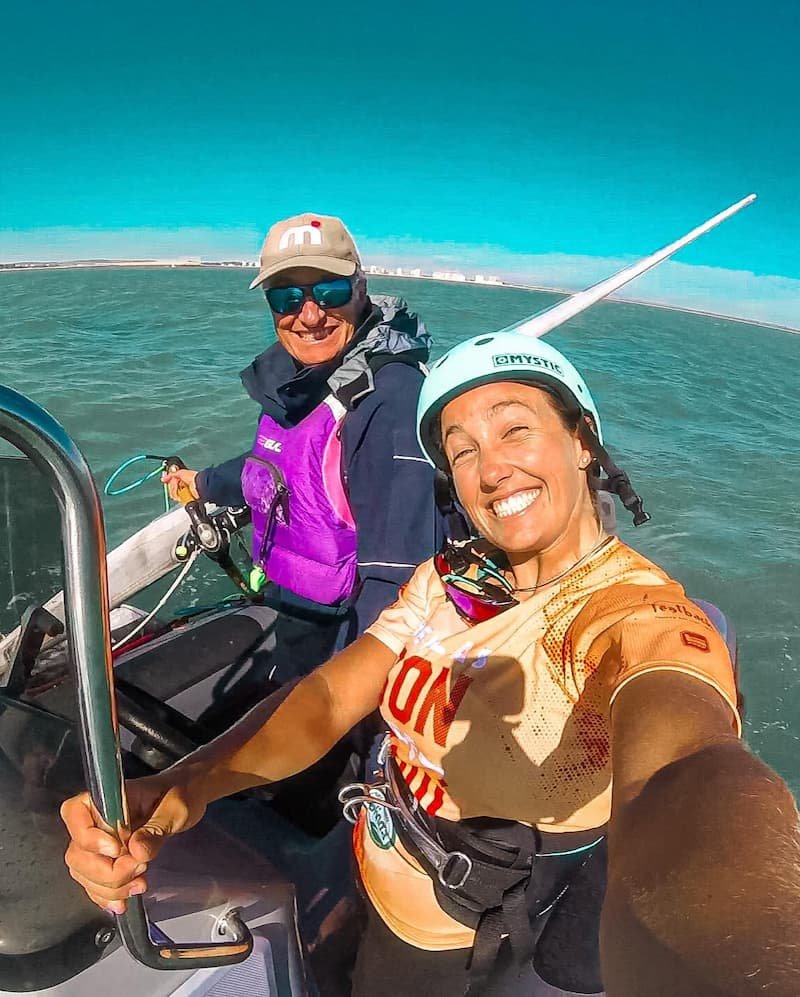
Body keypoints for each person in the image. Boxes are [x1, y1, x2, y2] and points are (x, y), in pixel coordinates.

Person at [62, 332, 800, 996]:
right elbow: (328, 699)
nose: (490, 469)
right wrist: (185, 783)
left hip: (439, 933)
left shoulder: (627, 617)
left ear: (583, 440)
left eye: (516, 428)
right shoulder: (455, 577)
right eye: (462, 448)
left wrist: (742, 956)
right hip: (371, 844)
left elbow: (689, 775)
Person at [163, 212, 439, 676]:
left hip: (347, 644)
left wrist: (338, 710)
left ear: (360, 289)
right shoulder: (303, 380)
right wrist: (202, 482)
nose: (309, 316)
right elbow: (278, 467)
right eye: (287, 297)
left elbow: (398, 584)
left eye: (329, 291)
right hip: (298, 613)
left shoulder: (388, 398)